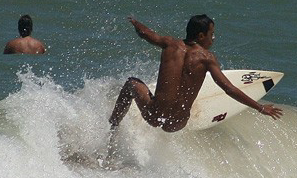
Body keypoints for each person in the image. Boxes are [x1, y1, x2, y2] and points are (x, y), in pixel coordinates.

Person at [108, 15, 283, 133]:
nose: (213, 38)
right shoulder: (207, 58)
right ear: (201, 35)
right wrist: (260, 108)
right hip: (177, 122)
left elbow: (145, 34)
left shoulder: (169, 44)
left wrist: (134, 22)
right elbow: (228, 88)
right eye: (211, 34)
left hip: (154, 115)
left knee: (131, 83)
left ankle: (112, 129)